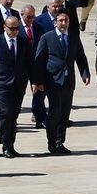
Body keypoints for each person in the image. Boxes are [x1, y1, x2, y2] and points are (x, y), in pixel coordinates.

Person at [34, 12, 90, 155]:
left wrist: (85, 73)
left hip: (68, 81)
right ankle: (52, 143)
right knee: (55, 112)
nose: (63, 23)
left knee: (65, 113)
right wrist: (38, 81)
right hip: (52, 81)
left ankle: (60, 142)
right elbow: (39, 60)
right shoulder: (47, 38)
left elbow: (80, 57)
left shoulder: (73, 37)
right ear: (55, 23)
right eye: (60, 20)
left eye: (66, 20)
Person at [0, 16, 35, 158]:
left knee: (14, 115)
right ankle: (5, 144)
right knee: (6, 113)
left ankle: (10, 144)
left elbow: (30, 63)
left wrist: (34, 82)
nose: (14, 31)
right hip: (1, 85)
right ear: (4, 27)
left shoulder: (23, 42)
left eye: (17, 28)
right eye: (11, 28)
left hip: (19, 85)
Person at [19, 3, 46, 128]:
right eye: (28, 17)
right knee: (19, 93)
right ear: (22, 15)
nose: (31, 20)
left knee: (39, 92)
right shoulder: (16, 28)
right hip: (22, 66)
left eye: (33, 17)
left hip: (36, 65)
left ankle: (39, 118)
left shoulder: (39, 28)